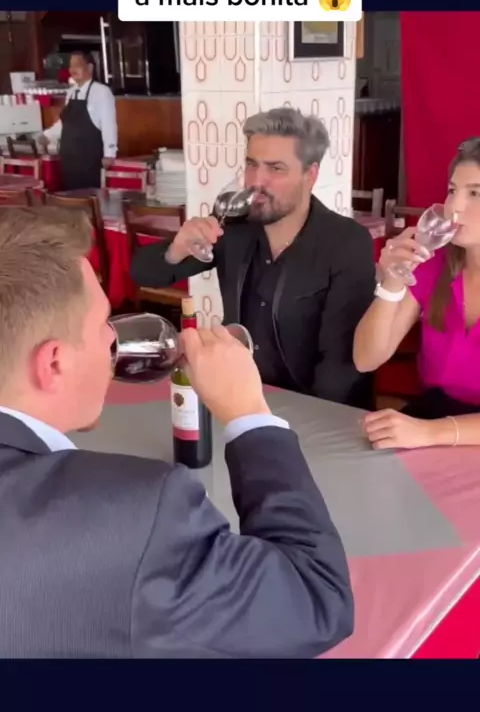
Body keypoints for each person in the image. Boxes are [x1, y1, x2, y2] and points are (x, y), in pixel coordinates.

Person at [0, 205, 354, 658]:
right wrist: (248, 412)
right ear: (54, 363)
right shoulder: (134, 516)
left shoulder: (338, 241)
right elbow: (316, 599)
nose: (113, 339)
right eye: (104, 322)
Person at [131, 107, 377, 409]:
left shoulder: (346, 242)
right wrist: (177, 249)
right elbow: (144, 274)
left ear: (310, 175)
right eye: (251, 164)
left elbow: (339, 368)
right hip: (237, 395)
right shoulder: (233, 225)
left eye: (276, 168)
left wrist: (304, 422)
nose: (257, 181)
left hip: (310, 407)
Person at [354, 137, 480, 450]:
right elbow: (366, 359)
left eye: (475, 193)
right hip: (435, 415)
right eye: (452, 190)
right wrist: (392, 284)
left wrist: (428, 433)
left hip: (446, 431)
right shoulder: (435, 264)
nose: (454, 207)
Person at [38, 50, 118, 190]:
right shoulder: (71, 92)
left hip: (90, 159)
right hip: (69, 159)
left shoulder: (102, 92)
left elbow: (109, 125)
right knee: (70, 197)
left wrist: (109, 154)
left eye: (77, 65)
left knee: (89, 197)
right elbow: (65, 123)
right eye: (70, 66)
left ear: (90, 67)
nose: (72, 69)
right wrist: (47, 135)